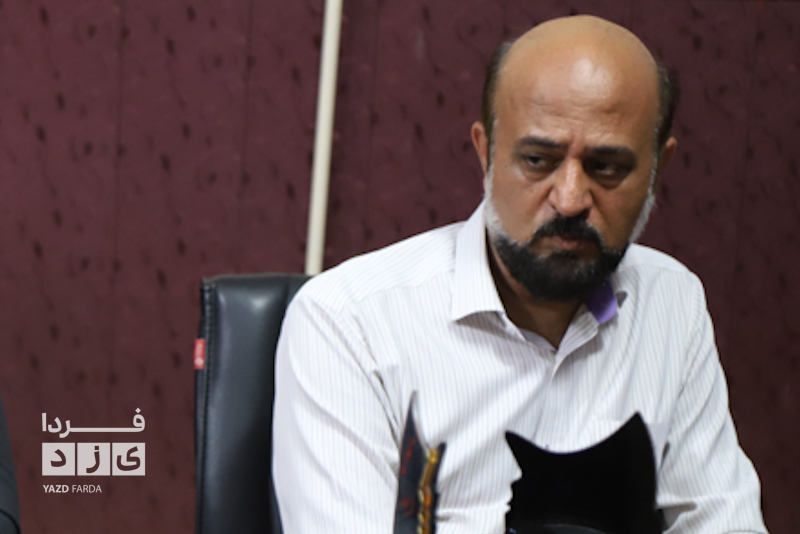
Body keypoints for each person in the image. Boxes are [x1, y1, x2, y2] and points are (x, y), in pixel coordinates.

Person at [273, 15, 767, 534]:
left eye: (606, 168)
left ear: (656, 170)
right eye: (537, 160)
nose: (570, 200)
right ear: (485, 152)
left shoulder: (672, 302)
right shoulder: (349, 322)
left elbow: (723, 521)